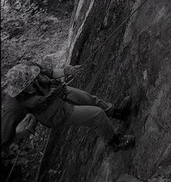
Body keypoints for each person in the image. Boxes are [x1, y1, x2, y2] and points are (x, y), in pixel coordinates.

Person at [1, 61, 135, 151]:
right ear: (19, 90)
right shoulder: (13, 105)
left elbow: (50, 73)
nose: (31, 86)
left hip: (59, 92)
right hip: (53, 113)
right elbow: (4, 138)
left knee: (91, 99)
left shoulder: (29, 67)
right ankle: (114, 142)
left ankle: (117, 113)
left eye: (32, 81)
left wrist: (67, 70)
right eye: (26, 87)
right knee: (97, 115)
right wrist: (24, 132)